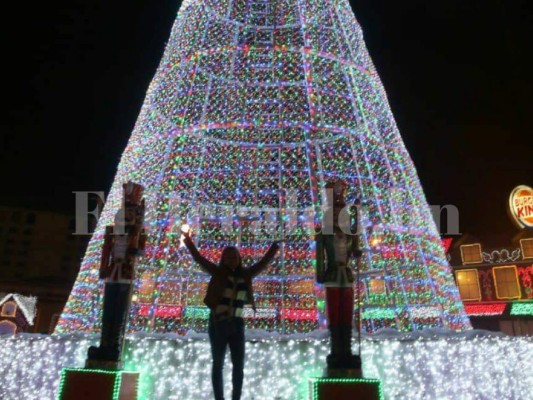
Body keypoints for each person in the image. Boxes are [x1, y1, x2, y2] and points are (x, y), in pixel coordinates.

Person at [182, 229, 280, 400]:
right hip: (218, 323)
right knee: (218, 364)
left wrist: (274, 247)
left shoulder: (246, 274)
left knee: (238, 365)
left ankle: (236, 398)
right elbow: (199, 259)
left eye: (234, 257)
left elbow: (263, 263)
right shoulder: (218, 272)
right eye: (227, 257)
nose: (231, 260)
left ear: (239, 258)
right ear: (223, 259)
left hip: (236, 323)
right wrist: (188, 241)